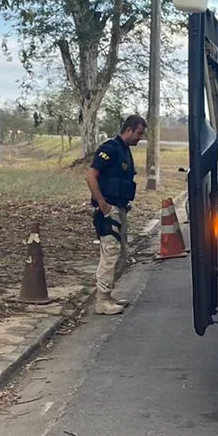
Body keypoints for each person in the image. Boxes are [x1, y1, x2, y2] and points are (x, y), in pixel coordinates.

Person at [86, 114, 147, 315]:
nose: (140, 137)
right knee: (110, 253)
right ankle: (102, 301)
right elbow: (91, 175)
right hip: (108, 209)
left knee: (121, 256)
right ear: (128, 129)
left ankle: (108, 295)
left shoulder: (124, 151)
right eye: (138, 133)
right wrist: (102, 204)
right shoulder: (110, 149)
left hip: (120, 208)